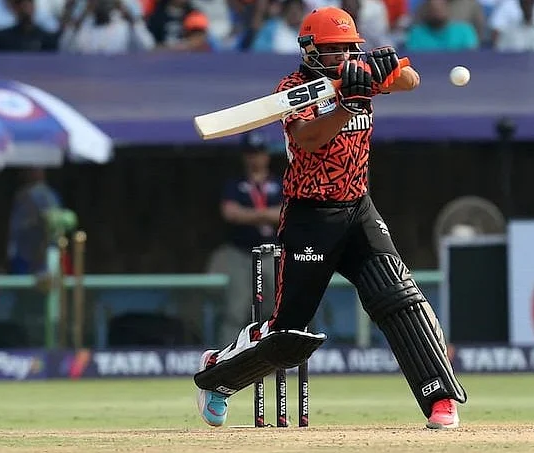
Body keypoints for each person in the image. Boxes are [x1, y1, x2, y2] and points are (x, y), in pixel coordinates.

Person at [193, 6, 467, 430]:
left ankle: (441, 398)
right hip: (310, 217)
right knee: (288, 334)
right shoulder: (292, 88)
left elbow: (411, 81)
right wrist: (347, 103)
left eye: (348, 49)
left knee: (398, 297)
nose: (342, 57)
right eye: (333, 50)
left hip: (358, 208)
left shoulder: (358, 70)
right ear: (310, 50)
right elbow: (309, 138)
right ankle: (216, 373)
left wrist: (383, 70)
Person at [217, 131, 282, 345]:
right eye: (250, 153)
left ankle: (275, 355)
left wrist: (250, 214)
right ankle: (228, 358)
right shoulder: (235, 185)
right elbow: (230, 213)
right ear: (244, 156)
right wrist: (265, 214)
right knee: (236, 309)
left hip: (271, 255)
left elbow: (288, 213)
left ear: (267, 155)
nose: (255, 158)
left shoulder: (279, 183)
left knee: (275, 309)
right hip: (242, 255)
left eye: (259, 152)